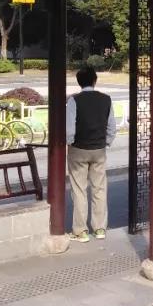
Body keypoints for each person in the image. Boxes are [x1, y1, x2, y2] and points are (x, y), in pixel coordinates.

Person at [66, 66, 116, 242]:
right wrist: (106, 142)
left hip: (78, 149)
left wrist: (71, 142)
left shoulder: (74, 100)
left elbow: (69, 129)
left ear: (79, 82)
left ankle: (81, 231)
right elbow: (112, 127)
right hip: (99, 150)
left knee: (79, 190)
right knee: (99, 189)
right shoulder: (106, 99)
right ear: (95, 80)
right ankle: (100, 228)